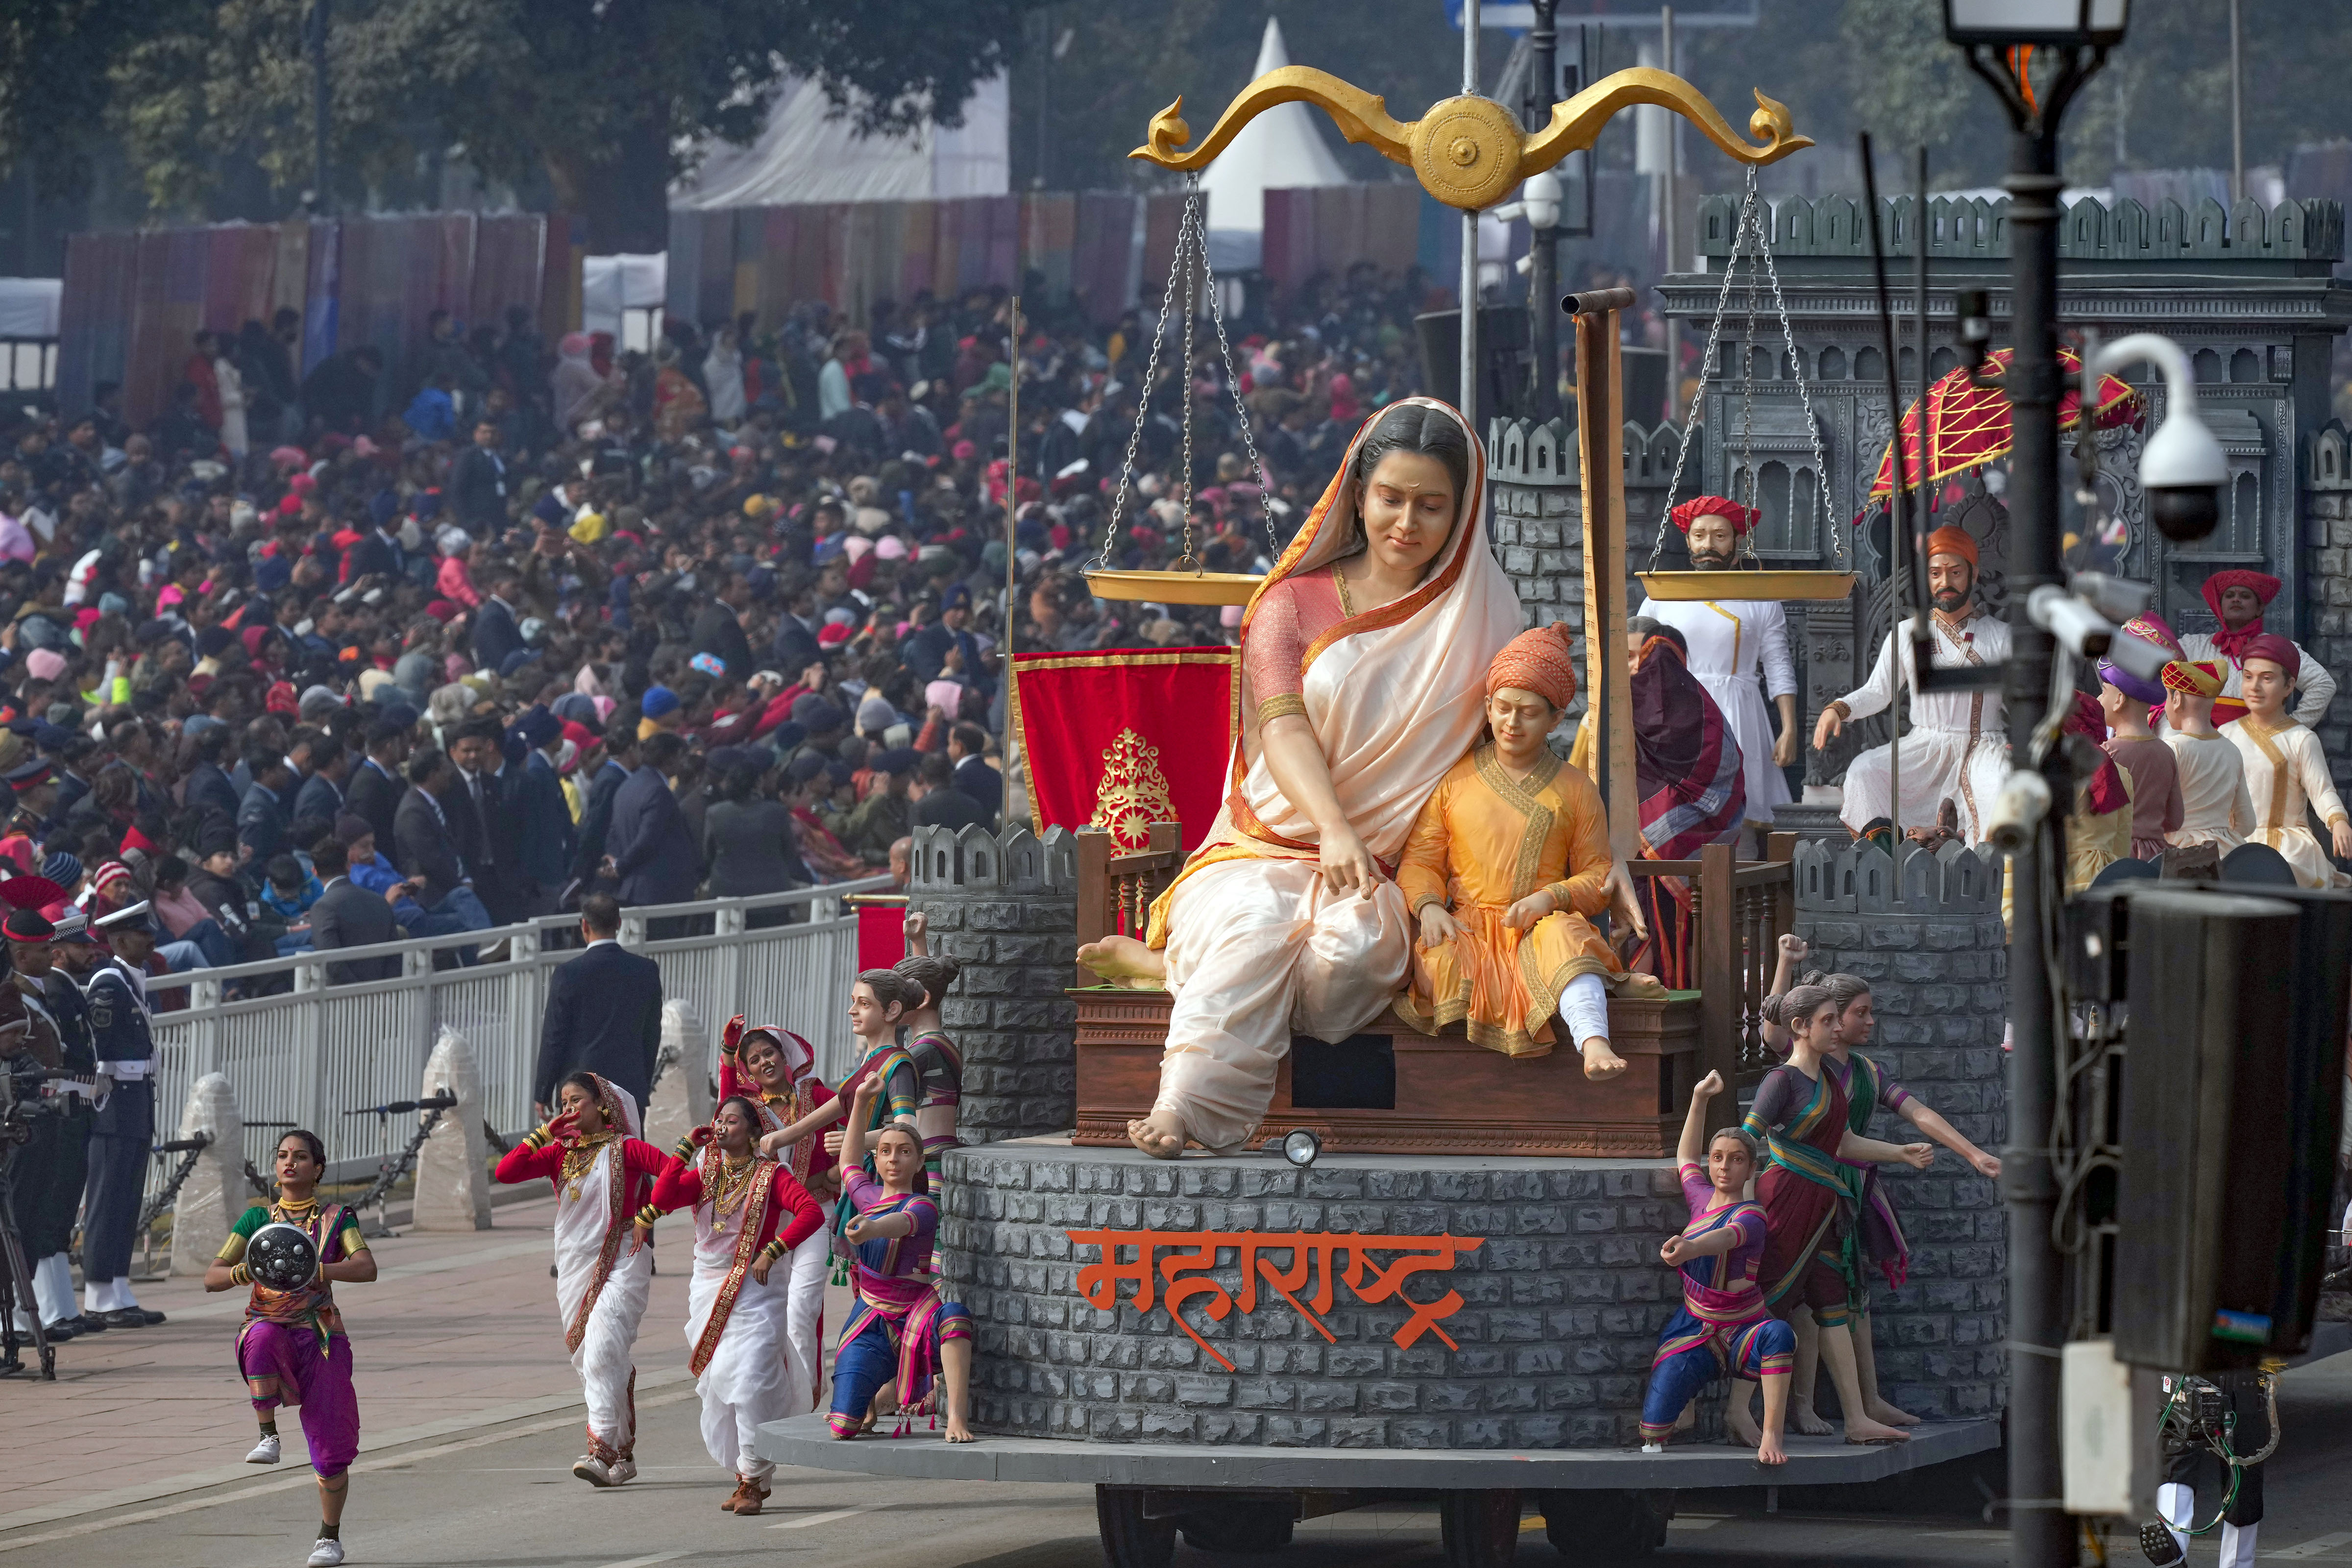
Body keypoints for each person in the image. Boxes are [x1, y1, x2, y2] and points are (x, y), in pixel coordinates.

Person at [1075, 400, 1521, 1157]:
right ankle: (1182, 1105)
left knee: (1345, 963)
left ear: (1464, 511)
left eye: (1431, 505)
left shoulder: (1487, 616)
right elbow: (1281, 727)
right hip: (1267, 848)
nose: (1407, 522)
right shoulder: (1288, 604)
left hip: (1386, 869)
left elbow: (1506, 746)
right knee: (1255, 930)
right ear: (1357, 493)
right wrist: (1334, 828)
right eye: (1391, 498)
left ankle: (1171, 967)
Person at [1753, 961, 2001, 1438]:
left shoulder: (1866, 1071)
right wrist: (1785, 962)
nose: (1870, 1022)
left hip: (1851, 1189)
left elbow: (1917, 1111)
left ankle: (1866, 1400)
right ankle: (1801, 1407)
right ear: (1832, 1019)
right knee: (1802, 1300)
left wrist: (1972, 1152)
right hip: (1806, 1186)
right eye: (1861, 1013)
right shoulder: (1807, 1068)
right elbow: (1774, 1026)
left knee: (1852, 1299)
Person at [1393, 622, 1646, 1072]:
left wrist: (1550, 898)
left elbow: (1596, 875)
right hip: (1467, 925)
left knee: (1567, 939)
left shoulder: (1577, 789)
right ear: (1487, 707)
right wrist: (1429, 906)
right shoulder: (1453, 780)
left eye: (1528, 713)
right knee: (1444, 960)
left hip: (1540, 924)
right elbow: (1420, 860)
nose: (1512, 723)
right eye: (1504, 708)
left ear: (1555, 719)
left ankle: (1594, 1044)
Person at [1741, 980, 1934, 1446]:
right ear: (1801, 1028)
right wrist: (1741, 1211)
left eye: (1835, 1018)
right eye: (1828, 1021)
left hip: (1824, 1205)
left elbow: (1842, 1142)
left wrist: (1899, 1152)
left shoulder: (1829, 1080)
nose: (1837, 1028)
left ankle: (1856, 1417)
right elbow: (1748, 1140)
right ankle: (1737, 1410)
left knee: (1834, 1304)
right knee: (1769, 1301)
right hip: (1786, 1200)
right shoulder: (1781, 1081)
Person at [636, 1097, 824, 1514]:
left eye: (732, 1120)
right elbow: (663, 1199)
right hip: (708, 1286)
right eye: (718, 1119)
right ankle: (750, 1469)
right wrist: (686, 1148)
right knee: (723, 1380)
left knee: (751, 1377)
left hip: (758, 1288)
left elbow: (811, 1212)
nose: (721, 1126)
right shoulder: (706, 1174)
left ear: (754, 1131)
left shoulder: (771, 1175)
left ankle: (752, 1480)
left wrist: (773, 1250)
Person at [205, 1129, 379, 1568]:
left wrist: (317, 1268)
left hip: (320, 1334)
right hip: (270, 1323)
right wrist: (245, 1272)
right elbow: (212, 1277)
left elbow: (366, 1267)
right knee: (260, 1337)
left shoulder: (339, 1219)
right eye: (283, 1155)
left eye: (301, 1157)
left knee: (330, 1444)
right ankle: (268, 1434)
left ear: (317, 1168)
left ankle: (329, 1536)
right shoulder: (255, 1220)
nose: (290, 1163)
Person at [493, 1072, 668, 1486]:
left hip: (625, 1254)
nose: (569, 1110)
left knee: (604, 1347)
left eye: (577, 1102)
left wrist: (649, 1214)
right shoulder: (559, 1153)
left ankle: (600, 1449)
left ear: (602, 1105)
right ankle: (622, 1457)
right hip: (575, 1263)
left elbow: (675, 1175)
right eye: (563, 1104)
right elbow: (505, 1172)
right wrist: (542, 1135)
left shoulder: (626, 1148)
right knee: (596, 1358)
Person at [1812, 527, 2011, 843]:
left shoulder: (2001, 636)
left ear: (1973, 576)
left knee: (2001, 784)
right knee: (1865, 772)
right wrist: (1838, 709)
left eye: (1955, 572)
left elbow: (2021, 700)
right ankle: (1891, 861)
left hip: (1983, 747)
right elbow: (1878, 692)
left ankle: (1986, 879)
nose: (1945, 582)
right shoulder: (1907, 634)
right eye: (1936, 574)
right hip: (1923, 748)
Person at [1639, 1070, 1792, 1464]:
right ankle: (1684, 1405)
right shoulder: (1699, 1196)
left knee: (1779, 1335)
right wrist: (1698, 1098)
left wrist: (1690, 1247)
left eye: (1736, 1160)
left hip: (1743, 1328)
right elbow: (1686, 1157)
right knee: (1655, 1423)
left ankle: (1770, 1435)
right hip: (1696, 1326)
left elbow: (1726, 1239)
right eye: (1719, 1158)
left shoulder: (1752, 1216)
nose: (1724, 1167)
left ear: (1751, 1169)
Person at [1635, 496, 1797, 848]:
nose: (1708, 544)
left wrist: (1789, 727)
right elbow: (1638, 664)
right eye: (1700, 535)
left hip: (1738, 709)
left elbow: (1778, 664)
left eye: (1720, 536)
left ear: (1738, 540)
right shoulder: (1661, 597)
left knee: (1743, 809)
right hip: (1677, 712)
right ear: (1688, 540)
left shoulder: (1762, 599)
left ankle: (1740, 885)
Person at [825, 1077, 974, 1442]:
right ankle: (870, 1398)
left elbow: (897, 1224)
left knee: (955, 1316)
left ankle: (957, 1416)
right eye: (887, 1150)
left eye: (905, 1151)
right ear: (876, 1157)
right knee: (843, 1427)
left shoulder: (922, 1206)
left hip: (917, 1316)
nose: (894, 1158)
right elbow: (848, 1158)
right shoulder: (866, 1196)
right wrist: (860, 1100)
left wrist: (869, 1230)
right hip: (871, 1317)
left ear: (920, 1160)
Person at [714, 1021, 837, 1414]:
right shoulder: (751, 1111)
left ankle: (805, 1402)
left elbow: (857, 1142)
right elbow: (725, 1104)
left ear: (786, 1057)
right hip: (770, 1222)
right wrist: (727, 1051)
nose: (764, 1062)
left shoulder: (817, 1096)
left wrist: (829, 1176)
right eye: (754, 1060)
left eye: (770, 1053)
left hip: (817, 1212)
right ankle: (784, 1396)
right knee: (771, 1314)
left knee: (803, 1307)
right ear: (747, 1072)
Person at [65, 904, 168, 1327]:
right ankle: (99, 1293)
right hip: (114, 1101)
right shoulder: (109, 984)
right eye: (142, 935)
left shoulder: (130, 981)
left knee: (127, 1197)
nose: (152, 940)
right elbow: (100, 1048)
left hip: (135, 1098)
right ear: (121, 942)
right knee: (108, 1199)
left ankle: (118, 1286)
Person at [2224, 635, 2352, 889]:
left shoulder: (2302, 739)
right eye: (2248, 677)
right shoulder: (2225, 734)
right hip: (2232, 841)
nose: (2255, 687)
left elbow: (2323, 791)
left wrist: (2338, 821)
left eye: (2267, 678)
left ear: (2289, 685)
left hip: (2286, 844)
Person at [532, 894, 664, 1118]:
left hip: (579, 1092)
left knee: (582, 1153)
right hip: (628, 1092)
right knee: (626, 1152)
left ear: (584, 925)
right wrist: (641, 1084)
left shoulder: (568, 974)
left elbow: (554, 1037)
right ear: (619, 924)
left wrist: (543, 1092)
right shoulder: (646, 970)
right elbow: (651, 1035)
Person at [2177, 568, 2335, 729]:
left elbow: (2322, 684)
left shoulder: (2279, 648)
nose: (2236, 600)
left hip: (2255, 746)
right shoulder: (2192, 645)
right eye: (2230, 596)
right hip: (2201, 744)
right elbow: (2158, 676)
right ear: (2220, 606)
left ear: (2260, 609)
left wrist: (2290, 729)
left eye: (2245, 596)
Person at [2158, 660, 2255, 853]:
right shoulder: (2232, 750)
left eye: (2167, 698)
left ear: (2177, 699)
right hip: (2226, 851)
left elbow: (2155, 815)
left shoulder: (2172, 749)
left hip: (2179, 852)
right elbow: (2248, 823)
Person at [2096, 659, 2182, 860]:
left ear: (2119, 700)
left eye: (2104, 691)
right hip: (2157, 858)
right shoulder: (2167, 752)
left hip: (2117, 857)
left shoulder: (2107, 753)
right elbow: (2176, 819)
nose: (2099, 698)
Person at [606, 732, 698, 907]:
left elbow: (614, 835)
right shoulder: (658, 791)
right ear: (673, 757)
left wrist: (617, 865)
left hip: (631, 888)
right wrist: (620, 866)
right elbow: (647, 840)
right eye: (682, 757)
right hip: (656, 892)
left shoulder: (628, 784)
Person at [305, 836, 401, 983]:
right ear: (349, 866)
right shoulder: (379, 900)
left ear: (314, 872)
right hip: (385, 995)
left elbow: (331, 962)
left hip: (346, 1000)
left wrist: (359, 993)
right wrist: (383, 991)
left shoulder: (323, 908)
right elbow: (395, 954)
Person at [449, 417, 510, 535]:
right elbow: (457, 489)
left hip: (500, 515)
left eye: (492, 432)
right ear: (476, 434)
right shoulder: (468, 456)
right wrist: (466, 521)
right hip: (477, 517)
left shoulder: (501, 456)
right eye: (484, 432)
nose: (489, 436)